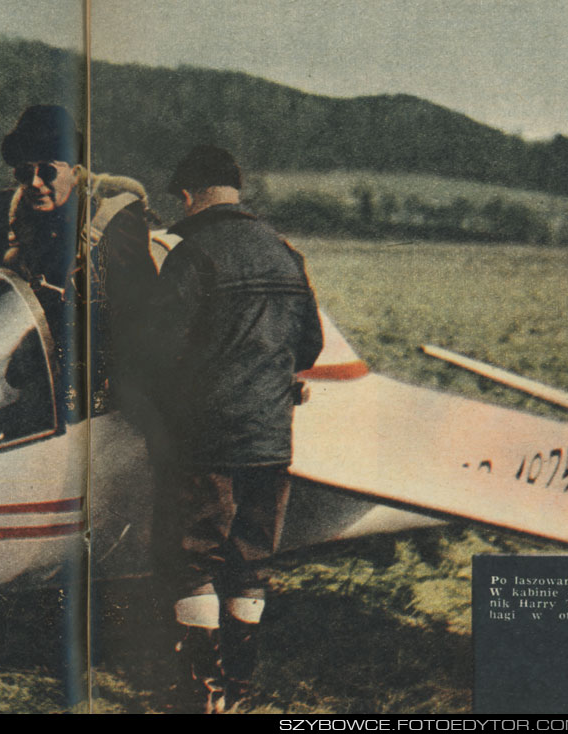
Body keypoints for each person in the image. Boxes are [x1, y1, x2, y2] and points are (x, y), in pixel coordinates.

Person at [144, 145, 323, 713]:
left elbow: (160, 351)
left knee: (193, 558)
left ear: (189, 195)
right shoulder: (285, 254)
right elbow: (310, 345)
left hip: (206, 442)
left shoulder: (192, 254)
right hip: (270, 441)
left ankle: (199, 694)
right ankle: (238, 691)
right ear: (237, 192)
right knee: (251, 562)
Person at [0, 105, 157, 421]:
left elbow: (145, 316)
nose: (34, 183)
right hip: (28, 384)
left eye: (47, 172)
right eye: (24, 173)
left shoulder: (116, 224)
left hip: (95, 387)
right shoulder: (2, 215)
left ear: (75, 173)